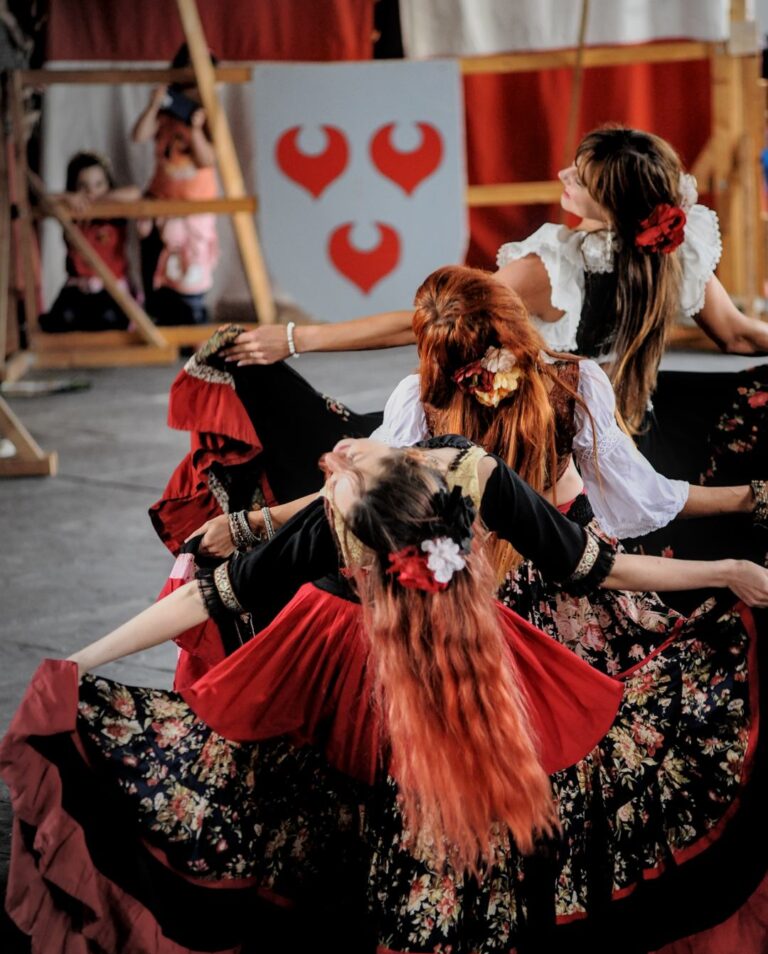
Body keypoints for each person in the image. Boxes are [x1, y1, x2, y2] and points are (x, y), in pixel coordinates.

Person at [3, 436, 768, 954]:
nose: (341, 462)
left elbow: (592, 566)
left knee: (466, 830)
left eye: (347, 467)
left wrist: (728, 569)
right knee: (280, 804)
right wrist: (83, 660)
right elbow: (217, 593)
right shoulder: (344, 506)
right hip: (342, 658)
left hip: (460, 659)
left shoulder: (472, 474)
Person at [167, 269, 766, 680]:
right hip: (573, 595)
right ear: (514, 316)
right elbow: (635, 505)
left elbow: (346, 501)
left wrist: (249, 524)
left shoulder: (421, 403)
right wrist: (743, 513)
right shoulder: (578, 381)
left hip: (466, 600)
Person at [213, 123, 768, 561]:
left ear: (610, 203)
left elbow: (437, 320)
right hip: (617, 427)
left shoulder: (550, 263)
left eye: (577, 177)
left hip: (525, 432)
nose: (562, 174)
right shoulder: (675, 252)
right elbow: (740, 336)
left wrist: (296, 337)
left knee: (361, 459)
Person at [131, 44, 219, 325]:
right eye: (188, 66)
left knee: (191, 270)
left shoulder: (210, 111)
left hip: (194, 207)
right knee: (157, 269)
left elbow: (208, 159)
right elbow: (138, 135)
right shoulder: (166, 110)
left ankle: (191, 325)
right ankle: (160, 322)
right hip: (160, 201)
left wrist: (195, 129)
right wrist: (156, 103)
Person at [39, 151, 140, 333]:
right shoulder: (74, 212)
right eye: (83, 186)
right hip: (79, 288)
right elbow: (42, 200)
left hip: (110, 288)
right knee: (60, 320)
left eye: (99, 184)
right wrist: (66, 198)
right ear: (74, 188)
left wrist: (102, 199)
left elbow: (135, 192)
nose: (91, 192)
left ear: (109, 184)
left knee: (110, 319)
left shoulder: (114, 213)